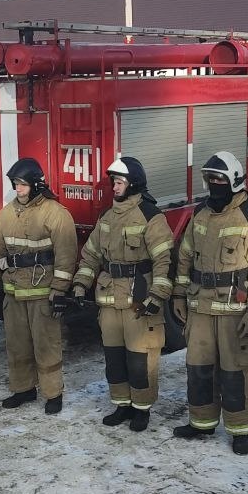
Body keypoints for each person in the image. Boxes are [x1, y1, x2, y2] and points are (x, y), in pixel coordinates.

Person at [171, 152, 248, 456]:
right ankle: (201, 422)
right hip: (200, 309)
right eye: (210, 180)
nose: (213, 185)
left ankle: (239, 429)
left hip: (235, 312)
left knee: (235, 372)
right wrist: (178, 295)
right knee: (198, 368)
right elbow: (185, 257)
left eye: (219, 180)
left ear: (234, 182)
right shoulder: (200, 215)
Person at [71, 156, 173, 431]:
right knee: (114, 357)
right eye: (113, 183)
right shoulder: (106, 216)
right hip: (109, 301)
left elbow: (164, 260)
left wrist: (157, 294)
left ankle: (142, 409)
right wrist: (80, 284)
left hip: (138, 301)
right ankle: (122, 405)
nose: (114, 188)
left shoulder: (151, 216)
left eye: (119, 183)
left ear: (133, 184)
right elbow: (90, 254)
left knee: (140, 358)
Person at [0, 158, 78, 414]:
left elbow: (66, 256)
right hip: (13, 293)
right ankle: (23, 389)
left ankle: (52, 393)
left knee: (46, 345)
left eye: (22, 185)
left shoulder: (56, 214)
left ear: (36, 185)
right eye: (15, 184)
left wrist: (59, 291)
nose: (18, 190)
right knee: (17, 345)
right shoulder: (7, 214)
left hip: (42, 294)